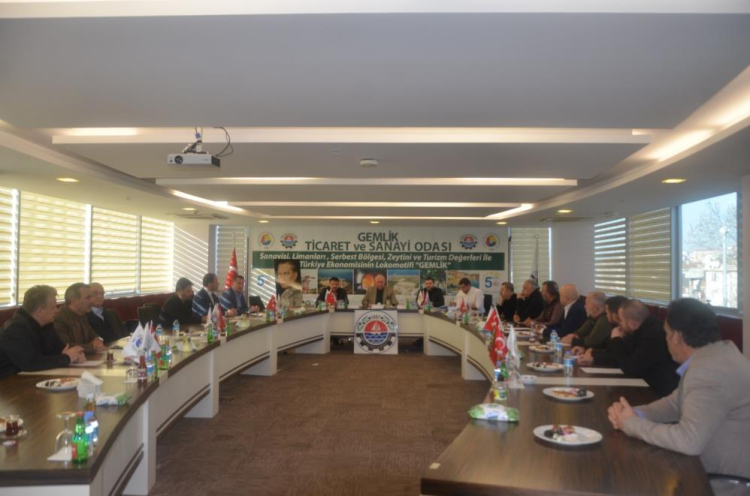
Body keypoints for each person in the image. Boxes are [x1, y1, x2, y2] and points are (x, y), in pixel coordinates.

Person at [608, 299, 750, 493]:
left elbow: (688, 440)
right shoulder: (718, 355)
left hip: (721, 483)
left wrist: (632, 425)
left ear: (676, 336)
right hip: (704, 468)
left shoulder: (708, 371)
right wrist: (634, 413)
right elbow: (676, 403)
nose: (665, 339)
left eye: (666, 333)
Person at [579, 299, 679, 397]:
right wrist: (594, 358)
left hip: (659, 393)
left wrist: (616, 340)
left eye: (621, 321)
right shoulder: (640, 329)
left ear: (632, 324)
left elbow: (629, 368)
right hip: (644, 385)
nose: (620, 324)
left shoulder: (653, 336)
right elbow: (622, 357)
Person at [0, 285, 84, 377]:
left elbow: (61, 350)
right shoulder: (15, 329)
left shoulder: (46, 324)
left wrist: (75, 355)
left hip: (34, 376)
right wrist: (67, 358)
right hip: (9, 381)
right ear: (40, 311)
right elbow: (30, 363)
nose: (56, 311)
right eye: (53, 307)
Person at [54, 283, 108, 353]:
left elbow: (93, 334)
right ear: (74, 301)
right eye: (88, 298)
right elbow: (66, 346)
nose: (91, 301)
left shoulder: (82, 314)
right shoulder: (59, 318)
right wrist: (93, 347)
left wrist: (98, 339)